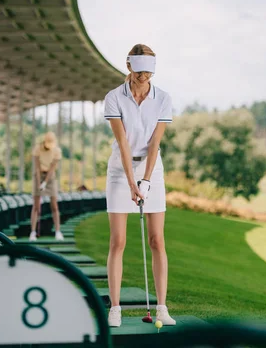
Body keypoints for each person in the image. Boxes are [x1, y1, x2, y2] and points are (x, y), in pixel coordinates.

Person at [104, 44, 175, 327]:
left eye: (149, 71)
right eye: (140, 70)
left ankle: (161, 308)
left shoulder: (163, 98)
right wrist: (132, 183)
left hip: (151, 167)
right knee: (118, 241)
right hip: (120, 171)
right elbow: (122, 142)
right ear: (129, 65)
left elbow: (155, 143)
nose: (145, 76)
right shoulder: (113, 98)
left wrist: (145, 180)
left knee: (157, 240)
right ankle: (115, 308)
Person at [29, 131, 64, 241]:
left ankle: (58, 232)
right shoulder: (37, 149)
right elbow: (37, 168)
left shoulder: (57, 151)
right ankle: (33, 233)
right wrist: (40, 183)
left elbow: (52, 168)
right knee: (36, 206)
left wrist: (45, 183)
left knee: (54, 205)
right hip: (38, 176)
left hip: (51, 177)